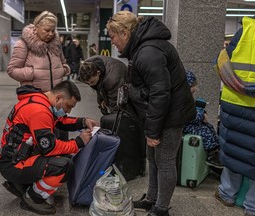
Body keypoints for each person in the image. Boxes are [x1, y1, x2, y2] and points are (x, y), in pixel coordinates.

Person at [107, 11, 195, 216]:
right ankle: (152, 198)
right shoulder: (142, 48)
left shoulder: (148, 52)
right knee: (154, 158)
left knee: (164, 161)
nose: (112, 42)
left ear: (125, 32)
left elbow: (160, 94)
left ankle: (161, 209)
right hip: (161, 114)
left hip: (170, 116)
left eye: (113, 37)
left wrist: (153, 132)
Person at [0, 81, 99, 215]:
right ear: (58, 98)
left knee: (63, 154)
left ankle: (22, 184)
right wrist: (78, 142)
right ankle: (32, 197)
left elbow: (60, 121)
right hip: (13, 165)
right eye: (68, 106)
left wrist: (83, 121)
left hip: (15, 158)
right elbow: (49, 148)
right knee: (64, 165)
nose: (68, 111)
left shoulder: (40, 100)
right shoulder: (39, 111)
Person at [214, 16, 255, 216]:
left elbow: (222, 61)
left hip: (234, 100)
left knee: (234, 150)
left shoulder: (245, 30)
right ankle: (252, 206)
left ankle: (227, 193)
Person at [7, 11, 70, 92]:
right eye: (47, 30)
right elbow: (12, 70)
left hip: (55, 96)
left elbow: (63, 62)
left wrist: (64, 70)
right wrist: (34, 73)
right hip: (35, 96)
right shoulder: (24, 44)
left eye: (53, 31)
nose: (51, 34)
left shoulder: (56, 44)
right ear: (37, 28)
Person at [183, 70, 223, 169]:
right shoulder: (181, 100)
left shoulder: (187, 98)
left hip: (190, 122)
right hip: (184, 126)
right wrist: (201, 116)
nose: (195, 89)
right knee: (204, 131)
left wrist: (202, 113)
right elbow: (189, 117)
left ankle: (215, 150)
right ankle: (211, 155)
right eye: (193, 86)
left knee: (209, 126)